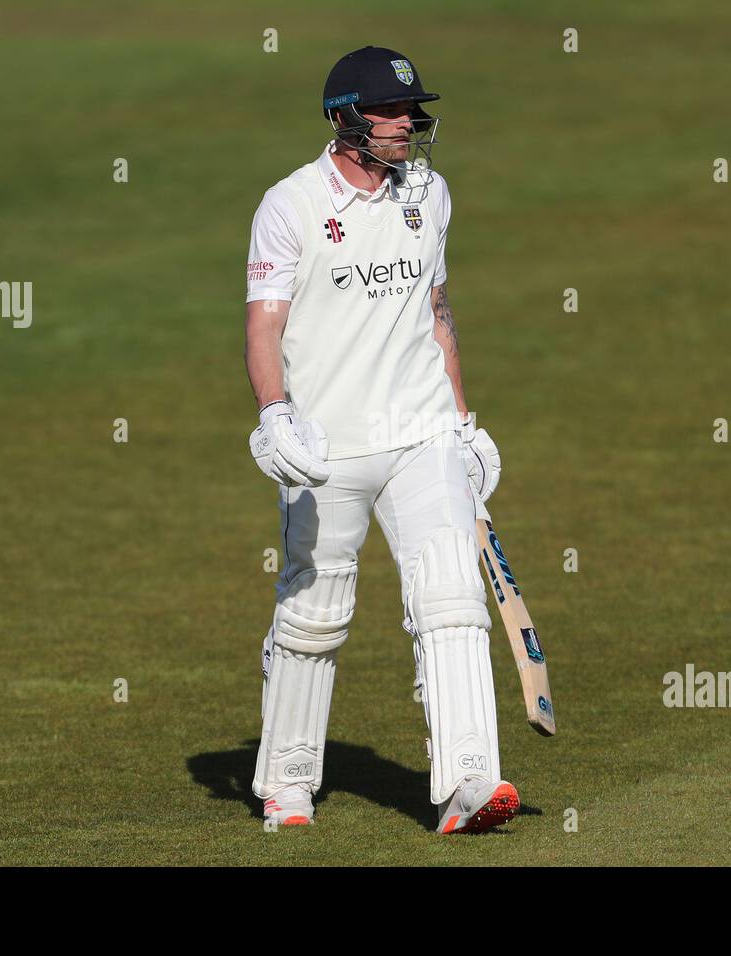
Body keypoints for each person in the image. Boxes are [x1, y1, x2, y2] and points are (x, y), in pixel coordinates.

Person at [243, 46, 518, 834]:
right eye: (389, 111)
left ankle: (468, 784)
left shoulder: (429, 194)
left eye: (411, 110)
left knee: (453, 598)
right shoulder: (290, 205)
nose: (407, 123)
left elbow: (437, 313)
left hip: (421, 431)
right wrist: (275, 412)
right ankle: (288, 785)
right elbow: (265, 322)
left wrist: (464, 424)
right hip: (327, 443)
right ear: (343, 119)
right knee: (315, 613)